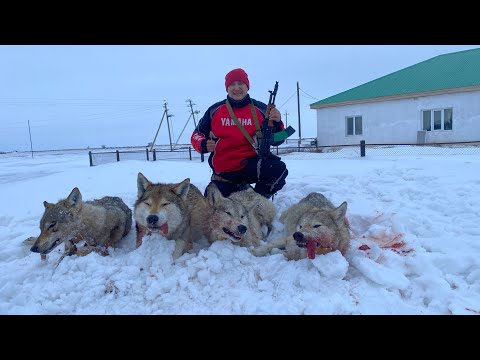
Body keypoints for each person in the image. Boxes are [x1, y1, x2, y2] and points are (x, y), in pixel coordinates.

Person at [191, 68, 288, 199]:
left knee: (278, 169)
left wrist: (277, 122)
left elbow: (279, 139)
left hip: (251, 167)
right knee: (212, 205)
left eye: (240, 83)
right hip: (224, 173)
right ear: (227, 88)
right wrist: (203, 144)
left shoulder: (262, 109)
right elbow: (196, 135)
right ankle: (239, 192)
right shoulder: (214, 110)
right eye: (232, 84)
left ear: (247, 86)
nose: (236, 88)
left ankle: (257, 200)